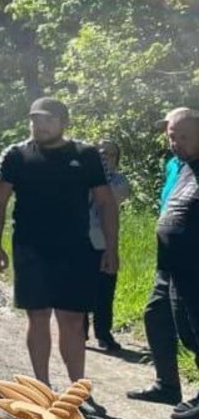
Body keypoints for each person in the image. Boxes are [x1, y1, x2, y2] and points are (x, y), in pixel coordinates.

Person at [0, 98, 118, 405]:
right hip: (30, 248)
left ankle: (77, 388)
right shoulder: (15, 155)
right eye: (35, 119)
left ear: (63, 122)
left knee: (73, 320)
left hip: (75, 248)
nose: (39, 125)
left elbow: (106, 202)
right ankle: (41, 386)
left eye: (47, 119)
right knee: (39, 316)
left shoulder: (85, 155)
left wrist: (111, 247)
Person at [130, 108, 199, 417]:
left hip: (193, 267)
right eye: (172, 137)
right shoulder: (181, 165)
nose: (175, 143)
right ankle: (168, 385)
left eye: (183, 137)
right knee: (176, 325)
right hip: (171, 266)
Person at [86, 139, 132, 352]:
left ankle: (103, 333)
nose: (105, 157)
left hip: (105, 242)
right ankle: (79, 331)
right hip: (80, 240)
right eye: (100, 153)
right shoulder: (82, 177)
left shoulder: (120, 181)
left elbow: (112, 197)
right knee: (79, 289)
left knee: (104, 291)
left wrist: (99, 177)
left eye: (110, 154)